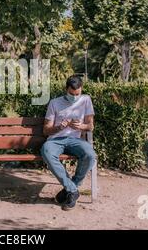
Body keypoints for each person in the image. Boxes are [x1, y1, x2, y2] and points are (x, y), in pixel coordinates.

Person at [41, 75, 96, 210]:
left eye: (78, 93)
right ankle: (73, 190)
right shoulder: (55, 103)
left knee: (90, 155)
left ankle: (69, 189)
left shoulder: (86, 100)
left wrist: (81, 127)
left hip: (75, 140)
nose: (75, 97)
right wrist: (59, 127)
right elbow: (46, 130)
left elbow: (90, 126)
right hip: (56, 140)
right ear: (66, 90)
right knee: (46, 151)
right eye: (72, 94)